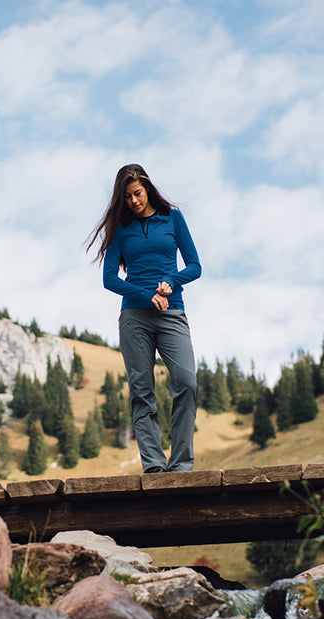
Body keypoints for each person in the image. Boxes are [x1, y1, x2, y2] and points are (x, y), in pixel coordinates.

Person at [87, 164, 202, 473]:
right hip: (134, 317)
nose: (133, 201)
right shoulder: (121, 229)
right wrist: (144, 294)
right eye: (126, 197)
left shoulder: (172, 219)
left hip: (171, 311)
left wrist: (171, 282)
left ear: (147, 188)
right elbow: (110, 278)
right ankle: (154, 465)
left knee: (186, 383)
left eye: (137, 193)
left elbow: (194, 266)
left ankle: (180, 465)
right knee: (142, 392)